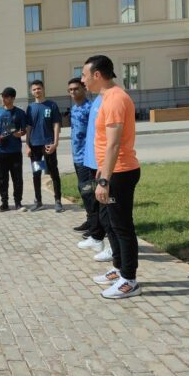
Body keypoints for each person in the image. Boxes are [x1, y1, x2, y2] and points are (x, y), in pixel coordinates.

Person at [82, 55, 142, 299]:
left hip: (120, 172)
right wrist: (101, 171)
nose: (83, 80)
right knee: (110, 223)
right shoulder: (107, 97)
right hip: (110, 171)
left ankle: (129, 280)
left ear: (97, 75)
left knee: (121, 225)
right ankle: (119, 269)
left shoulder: (116, 99)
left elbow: (114, 144)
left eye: (85, 75)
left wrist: (104, 180)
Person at [76, 94, 110, 261]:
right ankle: (96, 238)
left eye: (84, 80)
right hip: (90, 162)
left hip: (101, 165)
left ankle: (114, 248)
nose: (83, 81)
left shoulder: (110, 99)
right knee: (93, 203)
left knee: (108, 210)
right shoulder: (98, 99)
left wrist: (103, 167)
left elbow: (112, 139)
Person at [25, 80, 63, 212]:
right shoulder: (30, 108)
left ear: (43, 89)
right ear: (31, 92)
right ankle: (38, 201)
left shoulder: (51, 105)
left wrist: (55, 143)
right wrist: (27, 145)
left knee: (53, 172)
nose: (37, 91)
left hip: (48, 145)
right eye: (34, 89)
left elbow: (56, 124)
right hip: (35, 147)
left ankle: (58, 201)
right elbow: (28, 127)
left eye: (39, 88)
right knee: (36, 174)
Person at [0, 87, 27, 213]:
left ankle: (18, 203)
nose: (3, 99)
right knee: (2, 179)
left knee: (17, 178)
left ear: (12, 98)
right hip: (0, 151)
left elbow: (24, 130)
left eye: (5, 97)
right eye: (2, 96)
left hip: (15, 151)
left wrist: (19, 134)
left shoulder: (20, 113)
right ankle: (4, 203)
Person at [68, 78, 93, 226]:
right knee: (83, 189)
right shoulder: (74, 109)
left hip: (87, 156)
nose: (73, 92)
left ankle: (95, 224)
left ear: (84, 89)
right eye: (70, 90)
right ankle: (90, 219)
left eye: (76, 88)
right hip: (77, 156)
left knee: (88, 190)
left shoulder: (90, 108)